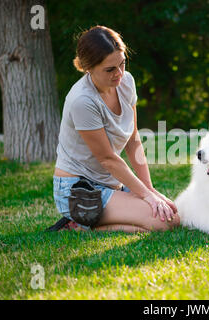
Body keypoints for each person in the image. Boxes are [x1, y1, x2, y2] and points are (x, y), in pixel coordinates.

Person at [51, 25, 179, 232]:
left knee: (173, 214)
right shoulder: (82, 100)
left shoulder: (127, 82)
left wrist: (149, 189)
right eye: (110, 69)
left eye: (122, 64)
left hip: (112, 183)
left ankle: (88, 221)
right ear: (88, 68)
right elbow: (107, 159)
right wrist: (147, 197)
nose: (119, 74)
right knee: (163, 223)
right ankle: (78, 223)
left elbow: (133, 139)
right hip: (78, 190)